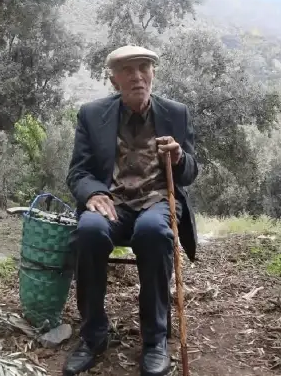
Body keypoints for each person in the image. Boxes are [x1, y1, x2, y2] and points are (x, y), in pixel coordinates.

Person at [63, 45, 199, 376]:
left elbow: (190, 173)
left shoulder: (176, 113)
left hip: (157, 200)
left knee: (153, 233)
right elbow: (78, 172)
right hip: (113, 202)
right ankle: (94, 335)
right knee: (89, 231)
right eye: (128, 70)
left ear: (152, 73)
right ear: (114, 80)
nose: (137, 76)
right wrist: (93, 192)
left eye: (144, 68)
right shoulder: (92, 115)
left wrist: (179, 158)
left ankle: (155, 340)